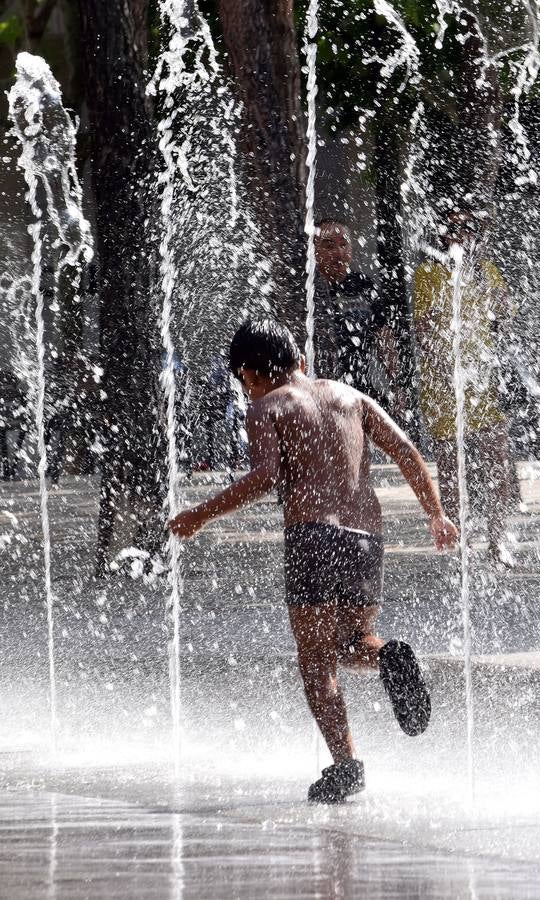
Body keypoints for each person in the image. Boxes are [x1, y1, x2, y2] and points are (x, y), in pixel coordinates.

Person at [169, 319, 458, 803]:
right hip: (368, 538)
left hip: (313, 537)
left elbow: (265, 476)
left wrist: (199, 514)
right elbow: (406, 451)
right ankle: (387, 656)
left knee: (316, 660)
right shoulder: (348, 396)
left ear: (247, 374)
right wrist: (436, 514)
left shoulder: (267, 406)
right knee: (351, 641)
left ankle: (346, 766)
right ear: (298, 359)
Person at [413, 203, 513, 564]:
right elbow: (423, 330)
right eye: (454, 230)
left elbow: (504, 318)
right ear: (442, 235)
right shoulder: (427, 275)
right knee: (452, 469)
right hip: (443, 386)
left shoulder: (487, 272)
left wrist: (490, 291)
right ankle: (461, 541)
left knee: (495, 462)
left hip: (482, 383)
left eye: (469, 229)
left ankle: (498, 539)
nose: (462, 236)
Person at [313, 219, 400, 411]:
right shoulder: (310, 291)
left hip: (358, 388)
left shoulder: (364, 285)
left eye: (343, 244)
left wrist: (396, 384)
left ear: (351, 251)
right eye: (329, 246)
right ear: (314, 252)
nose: (338, 252)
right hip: (318, 393)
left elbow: (383, 336)